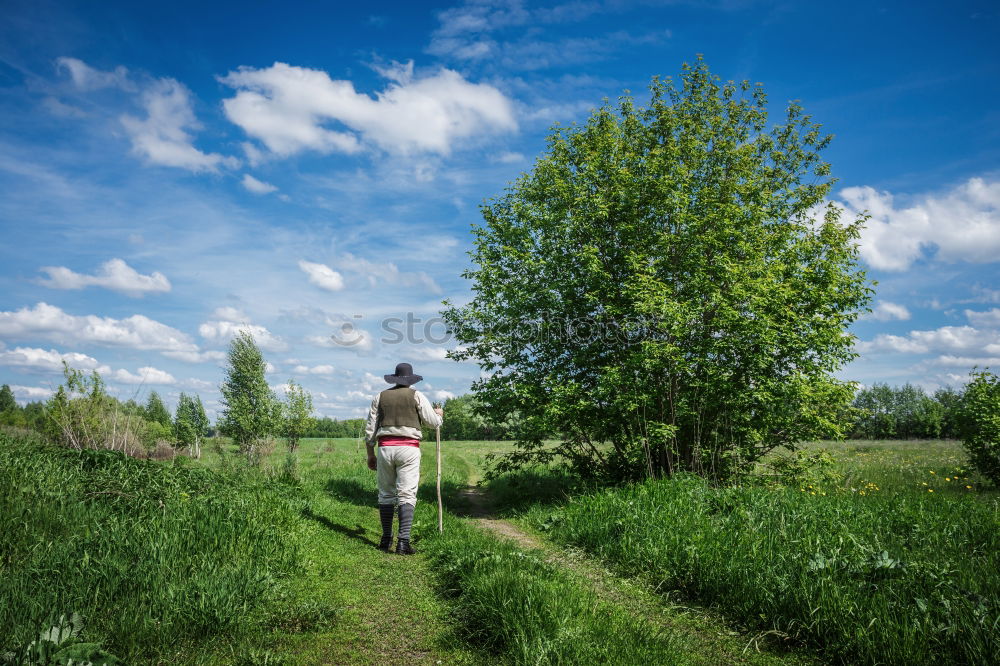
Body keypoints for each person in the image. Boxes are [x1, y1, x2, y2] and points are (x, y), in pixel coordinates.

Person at [364, 362, 443, 555]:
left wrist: (370, 454)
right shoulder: (416, 395)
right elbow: (432, 423)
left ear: (395, 378)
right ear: (410, 379)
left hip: (384, 448)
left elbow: (369, 430)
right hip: (409, 448)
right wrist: (439, 415)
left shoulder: (379, 396)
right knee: (407, 494)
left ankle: (385, 539)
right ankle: (403, 542)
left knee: (386, 494)